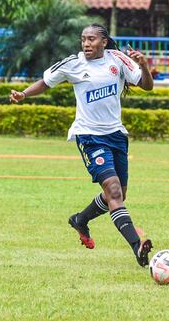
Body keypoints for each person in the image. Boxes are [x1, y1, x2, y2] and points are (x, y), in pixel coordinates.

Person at [10, 23, 154, 267]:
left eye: (91, 39)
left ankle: (80, 219)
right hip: (89, 136)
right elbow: (46, 82)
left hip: (116, 135)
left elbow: (147, 85)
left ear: (104, 42)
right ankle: (137, 246)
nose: (86, 44)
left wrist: (144, 66)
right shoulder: (73, 63)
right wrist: (24, 94)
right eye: (83, 39)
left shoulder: (117, 59)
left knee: (118, 195)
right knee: (114, 192)